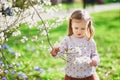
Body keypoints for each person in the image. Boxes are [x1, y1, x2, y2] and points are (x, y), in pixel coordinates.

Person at [50, 9, 100, 80]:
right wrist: (54, 52)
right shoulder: (67, 40)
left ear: (87, 26)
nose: (79, 31)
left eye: (83, 28)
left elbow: (95, 54)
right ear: (71, 25)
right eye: (76, 28)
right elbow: (59, 53)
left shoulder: (90, 41)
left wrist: (95, 60)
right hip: (71, 76)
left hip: (88, 75)